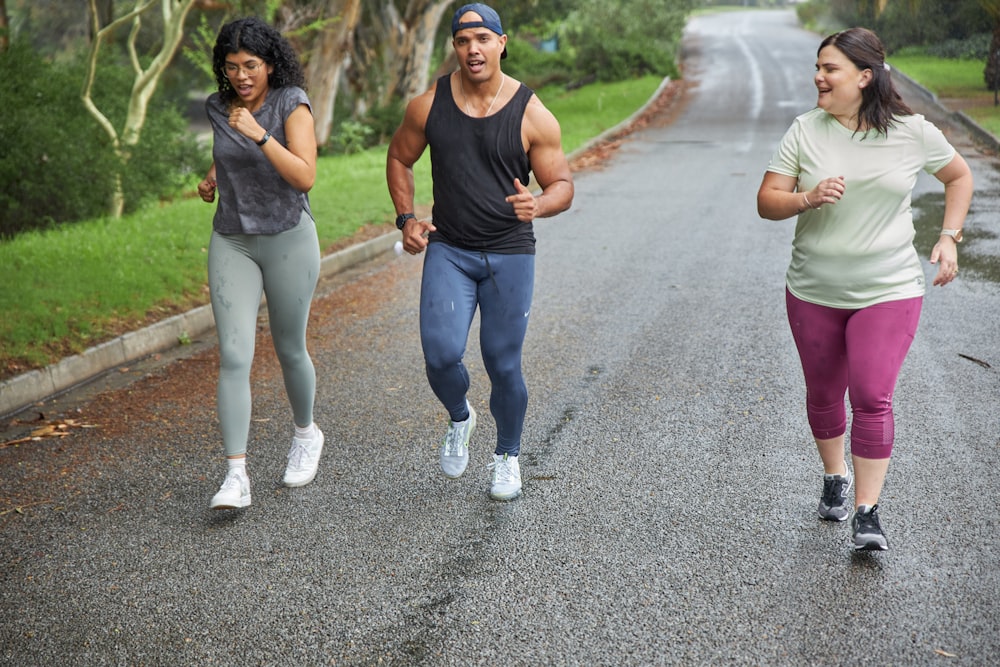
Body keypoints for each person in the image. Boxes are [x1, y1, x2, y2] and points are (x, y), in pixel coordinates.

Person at [757, 27, 973, 550]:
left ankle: (867, 512)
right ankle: (835, 476)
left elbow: (959, 176)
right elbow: (767, 201)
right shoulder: (805, 130)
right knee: (824, 393)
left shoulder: (913, 132)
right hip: (814, 288)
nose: (818, 77)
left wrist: (949, 238)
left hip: (889, 287)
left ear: (864, 76)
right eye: (818, 67)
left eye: (830, 68)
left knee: (872, 395)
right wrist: (807, 199)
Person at [386, 3, 574, 501]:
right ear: (455, 46)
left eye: (483, 39)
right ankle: (460, 417)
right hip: (450, 247)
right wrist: (407, 218)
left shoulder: (532, 113)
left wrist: (539, 203)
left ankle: (507, 455)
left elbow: (562, 185)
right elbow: (399, 158)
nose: (473, 49)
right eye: (464, 40)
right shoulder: (428, 105)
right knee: (441, 353)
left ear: (502, 43)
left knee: (502, 361)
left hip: (510, 251)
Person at [197, 17, 324, 510]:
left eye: (251, 65)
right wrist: (211, 178)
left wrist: (259, 135)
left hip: (289, 237)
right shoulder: (217, 107)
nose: (242, 76)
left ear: (270, 63)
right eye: (232, 67)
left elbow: (305, 176)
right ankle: (235, 475)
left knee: (290, 348)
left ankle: (306, 434)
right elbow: (226, 154)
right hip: (233, 240)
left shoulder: (291, 103)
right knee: (234, 355)